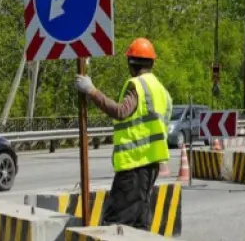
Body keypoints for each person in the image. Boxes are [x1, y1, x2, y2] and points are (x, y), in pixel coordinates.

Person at [73, 38, 172, 230]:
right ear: (152, 62)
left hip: (133, 166)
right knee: (139, 223)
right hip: (151, 166)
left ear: (131, 64)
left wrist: (92, 91)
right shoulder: (162, 91)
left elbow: (121, 111)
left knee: (115, 223)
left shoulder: (137, 86)